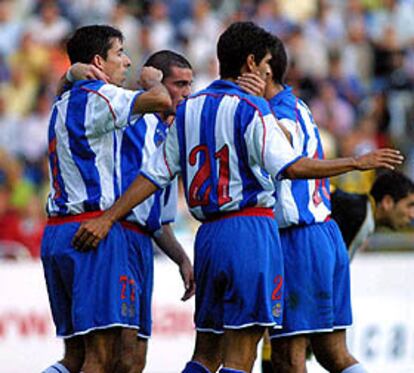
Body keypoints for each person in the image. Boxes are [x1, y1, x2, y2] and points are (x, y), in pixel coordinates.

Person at [71, 22, 402, 373]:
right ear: (250, 63)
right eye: (264, 64)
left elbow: (153, 175)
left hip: (209, 238)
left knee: (206, 353)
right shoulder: (254, 109)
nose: (266, 72)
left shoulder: (189, 109)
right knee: (243, 356)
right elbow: (291, 167)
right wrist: (355, 162)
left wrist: (107, 217)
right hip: (251, 231)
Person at [40, 25, 172, 373]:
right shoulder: (100, 97)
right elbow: (161, 100)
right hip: (93, 232)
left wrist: (69, 73)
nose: (127, 62)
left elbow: (65, 86)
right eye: (120, 53)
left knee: (76, 358)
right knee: (102, 358)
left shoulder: (62, 101)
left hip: (58, 232)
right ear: (99, 60)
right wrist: (152, 80)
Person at [264, 36, 369, 373]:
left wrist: (352, 162)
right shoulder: (298, 105)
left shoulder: (279, 114)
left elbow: (289, 158)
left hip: (297, 240)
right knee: (332, 354)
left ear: (259, 70)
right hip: (324, 233)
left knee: (287, 357)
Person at [114, 50, 195, 373]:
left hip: (142, 248)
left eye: (190, 84)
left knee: (135, 359)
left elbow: (159, 222)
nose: (186, 93)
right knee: (111, 355)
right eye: (179, 84)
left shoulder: (170, 135)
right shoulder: (128, 114)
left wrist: (181, 259)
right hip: (116, 240)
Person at [332, 170, 414, 259]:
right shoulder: (356, 212)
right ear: (387, 202)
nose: (412, 215)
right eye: (409, 206)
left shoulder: (364, 215)